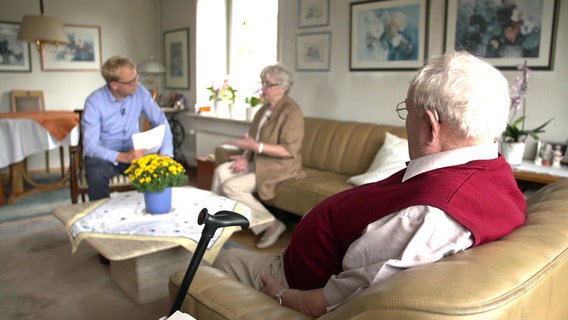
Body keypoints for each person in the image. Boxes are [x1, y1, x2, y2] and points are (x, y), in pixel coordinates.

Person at [212, 51, 526, 317]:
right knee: (226, 250)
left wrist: (282, 295)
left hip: (295, 281)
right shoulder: (493, 172)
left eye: (407, 111)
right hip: (301, 259)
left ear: (430, 127)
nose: (406, 121)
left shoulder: (425, 214)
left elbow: (339, 299)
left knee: (219, 261)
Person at [211, 63, 305, 249]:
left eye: (268, 84)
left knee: (232, 187)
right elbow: (252, 141)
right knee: (221, 171)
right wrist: (245, 156)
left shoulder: (292, 112)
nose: (263, 87)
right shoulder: (264, 109)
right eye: (262, 82)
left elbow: (288, 151)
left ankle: (271, 224)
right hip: (258, 162)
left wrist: (257, 147)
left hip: (280, 167)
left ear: (282, 87)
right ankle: (217, 221)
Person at [82, 55, 173, 201]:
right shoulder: (94, 102)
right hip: (106, 156)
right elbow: (91, 146)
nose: (136, 84)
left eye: (136, 78)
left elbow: (161, 120)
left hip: (135, 153)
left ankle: (152, 213)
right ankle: (100, 219)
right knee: (96, 173)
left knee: (159, 170)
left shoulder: (140, 92)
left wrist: (166, 153)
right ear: (114, 85)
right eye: (131, 82)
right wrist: (124, 157)